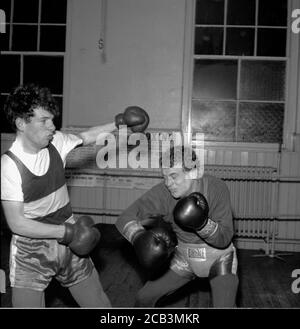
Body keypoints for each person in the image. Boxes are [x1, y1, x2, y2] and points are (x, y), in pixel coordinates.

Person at [1, 83, 149, 308]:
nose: (52, 126)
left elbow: (86, 137)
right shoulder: (9, 166)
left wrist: (120, 122)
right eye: (44, 120)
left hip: (68, 238)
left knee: (98, 303)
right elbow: (17, 223)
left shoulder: (56, 142)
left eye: (52, 119)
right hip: (31, 250)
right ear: (21, 123)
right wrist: (68, 233)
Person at [115, 145, 239, 308]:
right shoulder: (163, 193)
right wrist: (138, 236)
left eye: (173, 176)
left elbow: (224, 239)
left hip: (219, 259)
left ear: (193, 172)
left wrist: (201, 224)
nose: (168, 183)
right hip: (184, 259)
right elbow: (125, 217)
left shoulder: (216, 188)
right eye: (165, 177)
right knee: (144, 298)